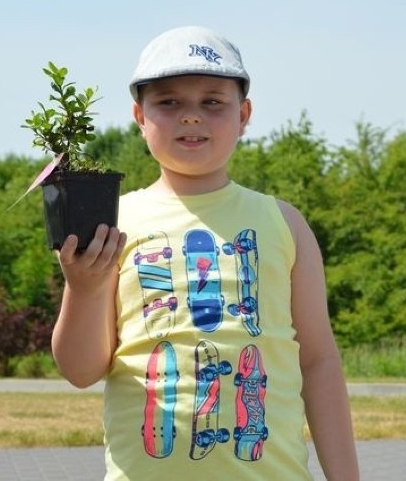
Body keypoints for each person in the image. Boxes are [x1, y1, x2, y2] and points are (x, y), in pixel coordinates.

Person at [51, 26, 359, 480]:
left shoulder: (284, 223)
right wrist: (84, 287)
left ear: (244, 114)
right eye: (169, 102)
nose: (191, 116)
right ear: (139, 115)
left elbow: (318, 361)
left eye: (212, 101)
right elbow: (80, 369)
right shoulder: (112, 222)